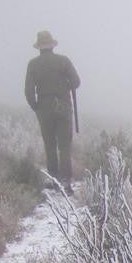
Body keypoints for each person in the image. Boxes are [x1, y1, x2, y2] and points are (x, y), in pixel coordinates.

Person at [24, 30, 80, 187]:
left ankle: (54, 181)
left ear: (39, 47)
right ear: (52, 45)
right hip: (63, 106)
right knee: (64, 146)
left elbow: (28, 91)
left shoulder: (33, 65)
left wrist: (35, 106)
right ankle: (66, 181)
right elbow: (76, 82)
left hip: (44, 108)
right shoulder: (64, 61)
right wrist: (64, 87)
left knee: (49, 145)